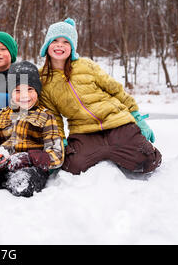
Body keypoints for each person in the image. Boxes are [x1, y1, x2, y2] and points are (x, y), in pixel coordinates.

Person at [38, 18, 162, 175]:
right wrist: (60, 141)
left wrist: (136, 116)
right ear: (47, 45)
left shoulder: (86, 65)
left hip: (116, 122)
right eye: (55, 40)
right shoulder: (44, 79)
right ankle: (107, 151)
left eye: (66, 42)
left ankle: (119, 147)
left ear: (72, 47)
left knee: (149, 160)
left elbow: (116, 90)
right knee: (72, 166)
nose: (60, 45)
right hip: (84, 131)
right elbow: (53, 116)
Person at [0, 61, 64, 197]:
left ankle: (12, 184)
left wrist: (29, 158)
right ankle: (0, 181)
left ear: (37, 91)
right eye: (18, 90)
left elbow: (57, 154)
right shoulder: (0, 116)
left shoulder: (46, 116)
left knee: (22, 184)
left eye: (30, 89)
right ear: (10, 93)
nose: (24, 95)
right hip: (2, 166)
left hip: (31, 168)